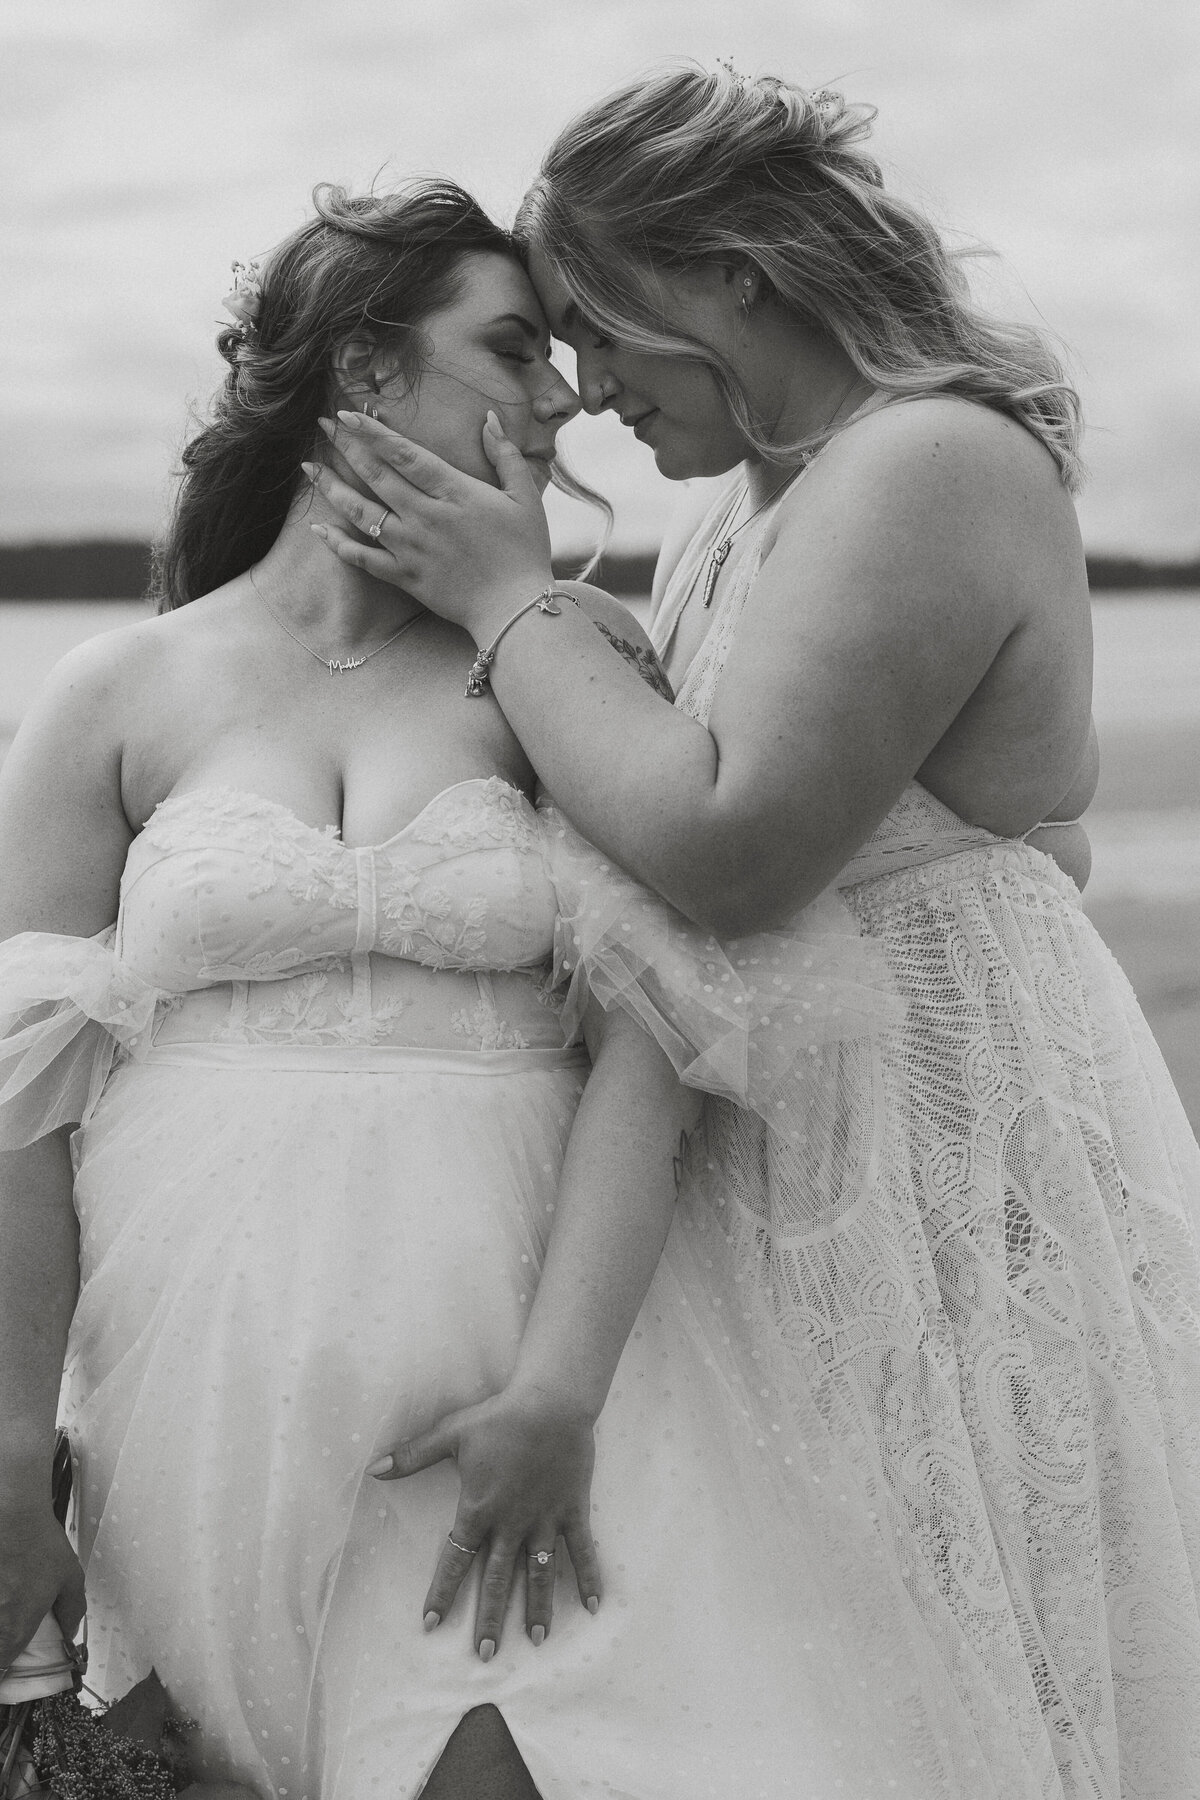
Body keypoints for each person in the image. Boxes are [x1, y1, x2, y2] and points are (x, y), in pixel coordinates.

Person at [0, 179, 971, 1800]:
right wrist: (10, 1442)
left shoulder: (562, 666)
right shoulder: (115, 693)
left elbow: (656, 1047)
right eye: (515, 348)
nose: (563, 396)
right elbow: (19, 1115)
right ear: (361, 373)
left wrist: (557, 1393)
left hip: (533, 1356)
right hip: (209, 1356)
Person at [309, 66, 1200, 1800]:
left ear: (731, 273)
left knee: (981, 1645)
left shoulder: (927, 460)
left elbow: (722, 853)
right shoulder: (748, 505)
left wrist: (504, 598)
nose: (583, 387)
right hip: (786, 1149)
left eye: (597, 329)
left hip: (955, 1158)